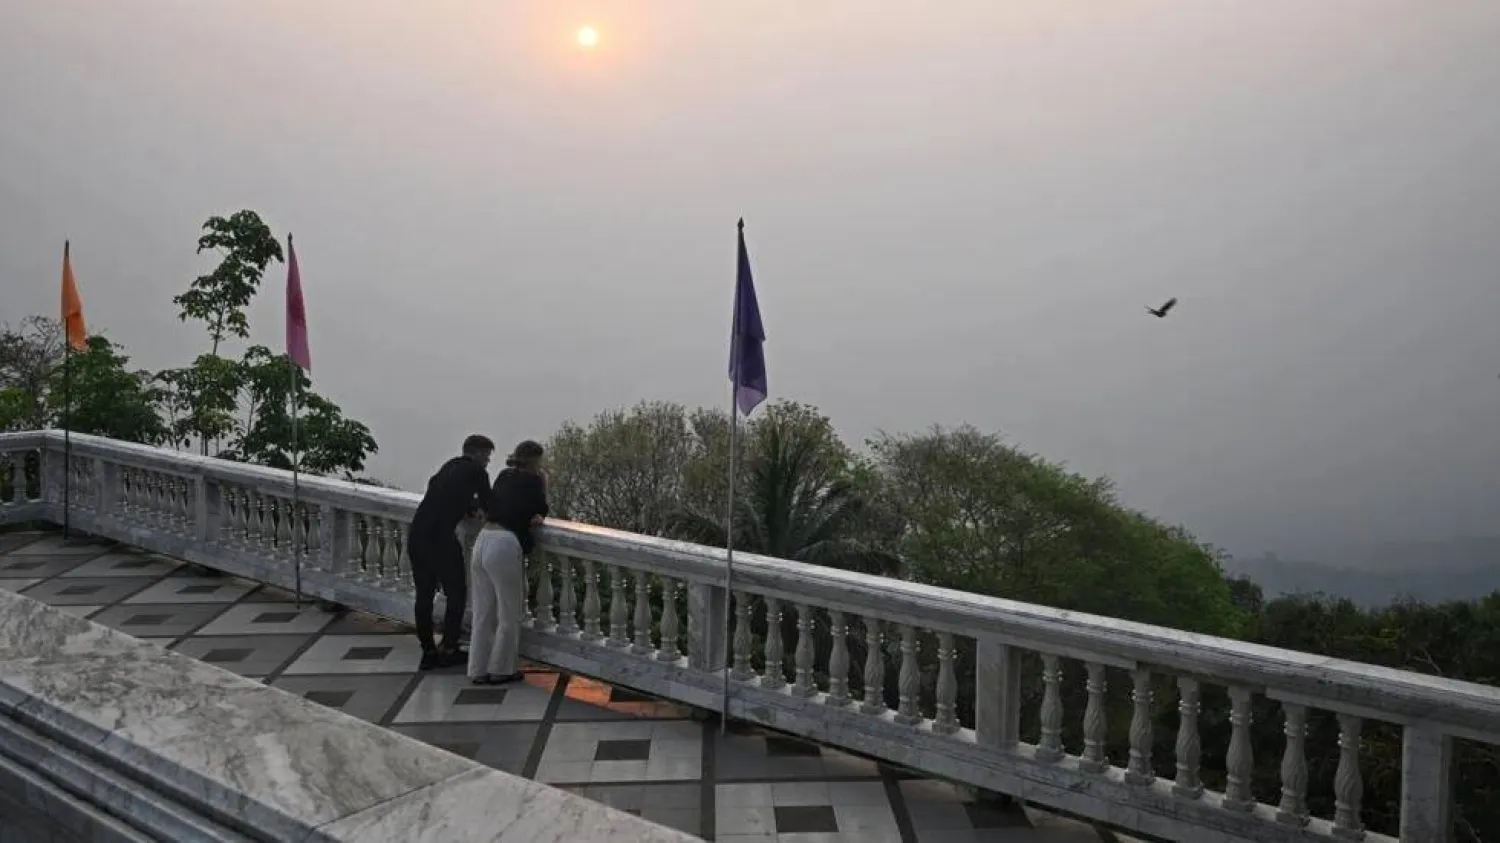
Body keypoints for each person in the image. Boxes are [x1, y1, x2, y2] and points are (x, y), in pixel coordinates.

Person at [409, 434, 494, 670]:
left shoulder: (449, 466)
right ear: (477, 453)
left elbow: (438, 490)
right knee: (456, 592)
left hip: (417, 534)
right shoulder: (478, 472)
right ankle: (449, 647)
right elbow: (491, 505)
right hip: (441, 537)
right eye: (487, 456)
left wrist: (466, 505)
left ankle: (427, 650)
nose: (487, 461)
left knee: (424, 594)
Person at [469, 439, 549, 684]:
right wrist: (543, 483)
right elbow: (540, 510)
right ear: (536, 460)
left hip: (483, 539)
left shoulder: (504, 475)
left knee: (482, 612)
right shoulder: (535, 480)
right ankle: (502, 669)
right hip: (504, 543)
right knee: (509, 611)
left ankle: (477, 669)